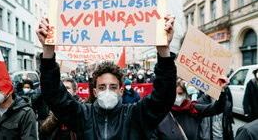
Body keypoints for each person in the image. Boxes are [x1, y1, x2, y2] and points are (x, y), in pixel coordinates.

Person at [36, 14, 176, 139]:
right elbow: (54, 95)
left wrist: (164, 52)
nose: (107, 91)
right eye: (102, 87)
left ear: (121, 91)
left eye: (113, 87)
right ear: (95, 92)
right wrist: (48, 52)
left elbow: (163, 97)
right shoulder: (83, 116)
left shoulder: (135, 116)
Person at [152, 78, 229, 140]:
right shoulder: (161, 113)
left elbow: (217, 108)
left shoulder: (193, 109)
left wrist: (222, 90)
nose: (177, 97)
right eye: (174, 94)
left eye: (180, 93)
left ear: (185, 94)